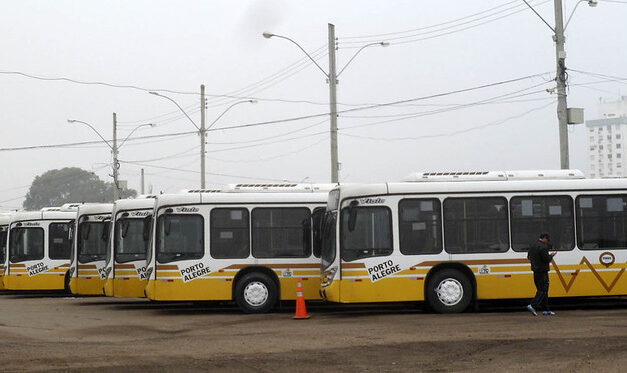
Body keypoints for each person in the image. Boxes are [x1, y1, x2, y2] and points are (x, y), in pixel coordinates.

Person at [526, 233, 557, 316]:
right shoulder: (543, 247)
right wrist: (551, 255)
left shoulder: (532, 246)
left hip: (535, 271)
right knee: (543, 290)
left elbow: (528, 257)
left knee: (543, 290)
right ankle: (533, 305)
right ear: (544, 238)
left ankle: (546, 309)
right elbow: (546, 259)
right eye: (547, 240)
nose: (547, 242)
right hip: (543, 271)